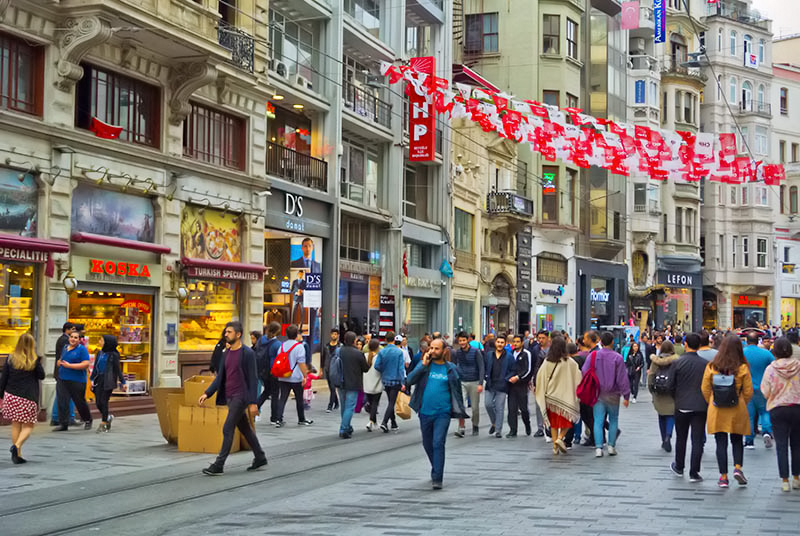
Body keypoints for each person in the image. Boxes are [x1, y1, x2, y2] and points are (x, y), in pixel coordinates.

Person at [199, 321, 267, 475]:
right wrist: (207, 392)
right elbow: (220, 378)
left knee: (227, 428)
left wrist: (253, 402)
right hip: (229, 396)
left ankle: (219, 464)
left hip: (241, 396)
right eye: (225, 332)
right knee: (245, 429)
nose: (225, 334)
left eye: (229, 332)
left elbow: (253, 379)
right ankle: (260, 456)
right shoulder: (226, 353)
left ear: (238, 334)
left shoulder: (247, 353)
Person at [406, 338, 468, 490]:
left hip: (443, 413)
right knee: (427, 444)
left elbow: (457, 390)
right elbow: (409, 380)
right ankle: (436, 465)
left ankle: (437, 477)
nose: (432, 351)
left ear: (444, 351)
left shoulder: (451, 369)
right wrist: (422, 365)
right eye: (431, 348)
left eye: (436, 349)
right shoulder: (425, 366)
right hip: (425, 412)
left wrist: (460, 412)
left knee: (438, 442)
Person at [701, 333, 754, 488]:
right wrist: (742, 401)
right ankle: (738, 468)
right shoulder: (742, 367)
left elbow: (705, 388)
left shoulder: (712, 366)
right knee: (737, 440)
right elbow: (749, 391)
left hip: (717, 409)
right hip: (737, 407)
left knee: (720, 442)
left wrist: (712, 401)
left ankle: (723, 477)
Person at [761, 337, 800, 491]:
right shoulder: (798, 365)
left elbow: (765, 391)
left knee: (781, 445)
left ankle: (785, 480)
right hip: (797, 407)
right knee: (797, 444)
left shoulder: (771, 369)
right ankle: (797, 477)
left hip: (778, 409)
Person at [582, 331, 630, 457]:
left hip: (598, 394)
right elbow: (622, 379)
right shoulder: (617, 358)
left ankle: (598, 447)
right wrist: (626, 395)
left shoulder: (593, 356)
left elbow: (584, 371)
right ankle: (611, 446)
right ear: (613, 342)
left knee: (598, 420)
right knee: (613, 420)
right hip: (613, 394)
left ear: (601, 342)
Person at [668, 333, 707, 482]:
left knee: (681, 437)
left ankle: (679, 466)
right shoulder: (705, 364)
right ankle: (694, 472)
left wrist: (676, 398)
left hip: (682, 404)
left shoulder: (677, 362)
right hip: (700, 406)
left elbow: (670, 385)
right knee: (697, 440)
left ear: (686, 344)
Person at [0, 333, 45, 463]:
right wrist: (38, 362)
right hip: (28, 397)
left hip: (11, 395)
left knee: (16, 424)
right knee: (28, 425)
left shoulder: (10, 358)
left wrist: (1, 395)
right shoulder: (34, 360)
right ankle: (17, 446)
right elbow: (41, 376)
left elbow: (4, 379)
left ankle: (17, 455)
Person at [535, 335, 582, 455]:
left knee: (554, 423)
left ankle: (555, 446)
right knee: (567, 420)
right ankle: (560, 439)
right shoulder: (570, 362)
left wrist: (541, 391)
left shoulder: (547, 361)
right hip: (566, 397)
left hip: (551, 397)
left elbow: (540, 377)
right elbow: (578, 378)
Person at [53, 330, 93, 431]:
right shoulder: (65, 348)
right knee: (62, 401)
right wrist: (59, 362)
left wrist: (70, 366)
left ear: (79, 340)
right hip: (63, 378)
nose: (73, 339)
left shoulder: (82, 350)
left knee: (79, 402)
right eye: (71, 337)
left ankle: (87, 419)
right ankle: (63, 424)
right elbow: (62, 359)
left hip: (77, 380)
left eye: (76, 338)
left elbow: (85, 364)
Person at [275, 325, 313, 427]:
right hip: (296, 377)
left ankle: (278, 419)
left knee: (282, 398)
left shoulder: (282, 346)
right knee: (299, 398)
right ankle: (301, 419)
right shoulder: (299, 347)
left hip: (283, 376)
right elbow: (301, 363)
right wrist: (305, 376)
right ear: (296, 335)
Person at [743, 332, 775, 449]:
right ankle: (767, 432)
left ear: (747, 341)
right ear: (759, 341)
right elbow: (774, 366)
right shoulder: (766, 354)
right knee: (765, 412)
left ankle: (749, 441)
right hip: (763, 388)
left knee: (749, 416)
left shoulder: (742, 353)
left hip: (748, 388)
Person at [336, 331, 370, 439]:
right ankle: (344, 428)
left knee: (344, 406)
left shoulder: (339, 351)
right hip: (353, 383)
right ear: (355, 341)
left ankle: (347, 425)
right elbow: (365, 369)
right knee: (349, 407)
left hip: (340, 382)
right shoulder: (358, 353)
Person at [90, 335, 127, 433]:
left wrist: (123, 382)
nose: (100, 341)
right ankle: (107, 417)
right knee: (98, 401)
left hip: (108, 380)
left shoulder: (114, 355)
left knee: (104, 400)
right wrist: (91, 379)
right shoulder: (99, 353)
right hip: (99, 379)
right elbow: (95, 368)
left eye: (102, 340)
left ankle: (104, 422)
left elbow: (118, 369)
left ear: (107, 342)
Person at [452, 331, 485, 437]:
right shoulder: (458, 353)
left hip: (474, 381)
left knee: (475, 408)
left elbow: (481, 368)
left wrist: (480, 383)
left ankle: (475, 425)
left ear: (468, 340)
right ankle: (461, 427)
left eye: (463, 340)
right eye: (460, 340)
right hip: (462, 381)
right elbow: (456, 365)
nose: (461, 342)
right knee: (461, 406)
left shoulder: (476, 352)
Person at [648, 340, 678, 453]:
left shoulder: (655, 361)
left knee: (661, 415)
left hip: (659, 392)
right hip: (672, 391)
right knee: (671, 415)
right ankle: (668, 436)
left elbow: (651, 376)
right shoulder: (676, 360)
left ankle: (663, 439)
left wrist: (651, 390)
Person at [373, 331, 406, 433]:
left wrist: (384, 370)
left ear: (386, 340)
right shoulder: (399, 352)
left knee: (390, 401)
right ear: (394, 339)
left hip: (386, 379)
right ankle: (385, 422)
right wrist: (403, 382)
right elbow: (401, 368)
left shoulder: (382, 352)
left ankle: (393, 423)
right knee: (392, 402)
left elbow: (376, 366)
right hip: (395, 379)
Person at [484, 334, 515, 438]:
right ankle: (494, 422)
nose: (500, 344)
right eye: (498, 342)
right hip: (490, 384)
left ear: (505, 343)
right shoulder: (489, 355)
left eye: (502, 342)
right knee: (488, 404)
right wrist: (485, 376)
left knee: (499, 408)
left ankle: (498, 430)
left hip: (502, 385)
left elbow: (513, 370)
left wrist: (507, 379)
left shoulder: (509, 356)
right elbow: (485, 367)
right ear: (495, 343)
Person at [507, 334, 533, 437]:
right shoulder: (510, 354)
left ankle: (527, 424)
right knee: (511, 408)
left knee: (524, 409)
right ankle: (513, 430)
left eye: (518, 341)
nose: (516, 343)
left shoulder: (526, 354)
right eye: (514, 341)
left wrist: (518, 377)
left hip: (522, 385)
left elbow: (528, 369)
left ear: (522, 342)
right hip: (511, 385)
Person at [51, 322, 76, 426]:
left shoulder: (61, 339)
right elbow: (66, 356)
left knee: (62, 395)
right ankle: (66, 417)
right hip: (64, 371)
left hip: (62, 370)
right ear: (67, 329)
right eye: (72, 329)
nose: (74, 332)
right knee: (67, 395)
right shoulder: (65, 340)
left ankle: (58, 417)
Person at [531, 330, 551, 438]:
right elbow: (534, 366)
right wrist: (533, 382)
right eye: (539, 338)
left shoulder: (552, 350)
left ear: (548, 338)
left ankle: (548, 425)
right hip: (538, 380)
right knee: (539, 404)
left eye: (543, 338)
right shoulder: (535, 349)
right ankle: (540, 428)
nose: (541, 340)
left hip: (550, 380)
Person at [363, 338, 383, 432]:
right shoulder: (379, 357)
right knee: (375, 403)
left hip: (366, 383)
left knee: (370, 403)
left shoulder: (364, 356)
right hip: (377, 382)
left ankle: (374, 421)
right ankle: (371, 421)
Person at [320, 329, 342, 413]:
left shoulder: (340, 346)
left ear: (338, 335)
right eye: (333, 334)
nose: (334, 336)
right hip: (327, 368)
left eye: (336, 334)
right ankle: (336, 402)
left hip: (336, 369)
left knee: (333, 387)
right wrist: (321, 369)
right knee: (331, 388)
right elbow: (323, 357)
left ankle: (330, 405)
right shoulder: (326, 346)